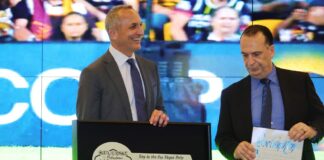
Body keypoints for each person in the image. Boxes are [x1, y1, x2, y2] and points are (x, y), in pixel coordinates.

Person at [216, 25, 324, 160]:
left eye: (256, 54)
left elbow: (321, 118)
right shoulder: (231, 94)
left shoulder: (300, 81)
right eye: (245, 55)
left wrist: (311, 130)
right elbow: (222, 138)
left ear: (271, 51)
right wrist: (235, 149)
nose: (250, 62)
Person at [76, 5, 169, 127]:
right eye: (133, 26)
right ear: (113, 33)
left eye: (141, 25)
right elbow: (87, 127)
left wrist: (161, 115)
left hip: (149, 144)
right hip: (114, 145)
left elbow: (159, 108)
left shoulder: (150, 67)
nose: (141, 32)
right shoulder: (93, 73)